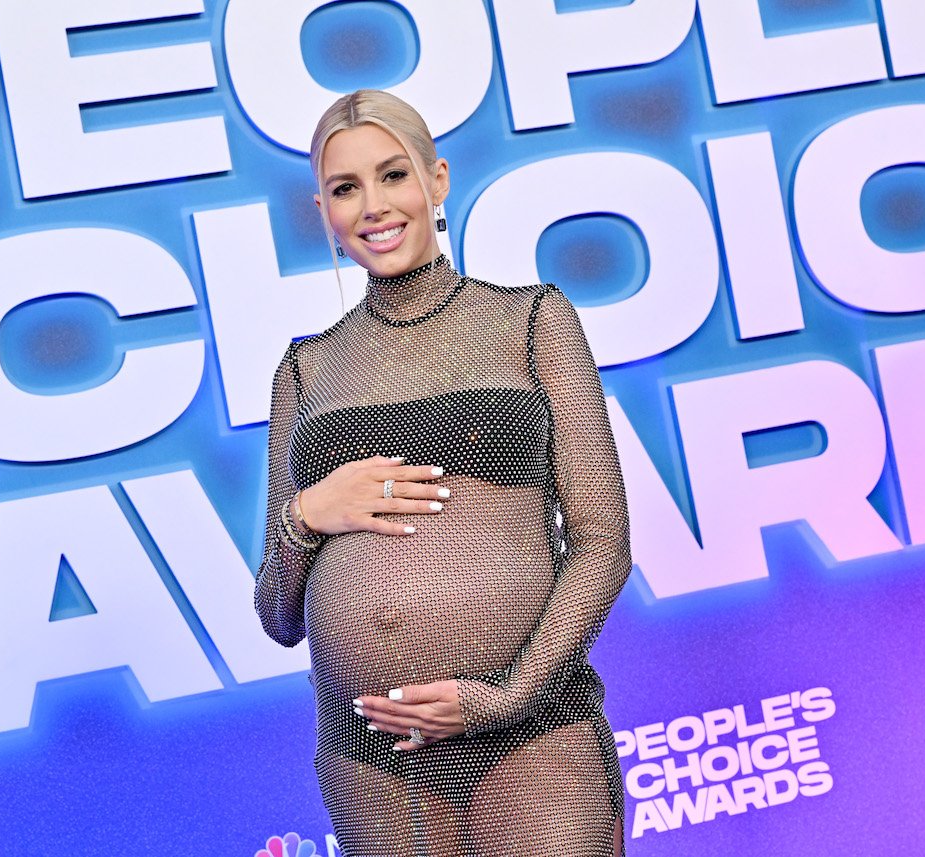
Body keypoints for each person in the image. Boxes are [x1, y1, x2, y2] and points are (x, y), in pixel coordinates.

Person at [254, 88, 632, 856]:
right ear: (323, 210)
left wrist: (507, 697)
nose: (373, 206)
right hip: (371, 760)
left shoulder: (530, 320)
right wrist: (308, 515)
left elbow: (603, 542)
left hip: (532, 734)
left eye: (392, 175)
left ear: (438, 180)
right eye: (344, 188)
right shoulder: (305, 370)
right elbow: (277, 614)